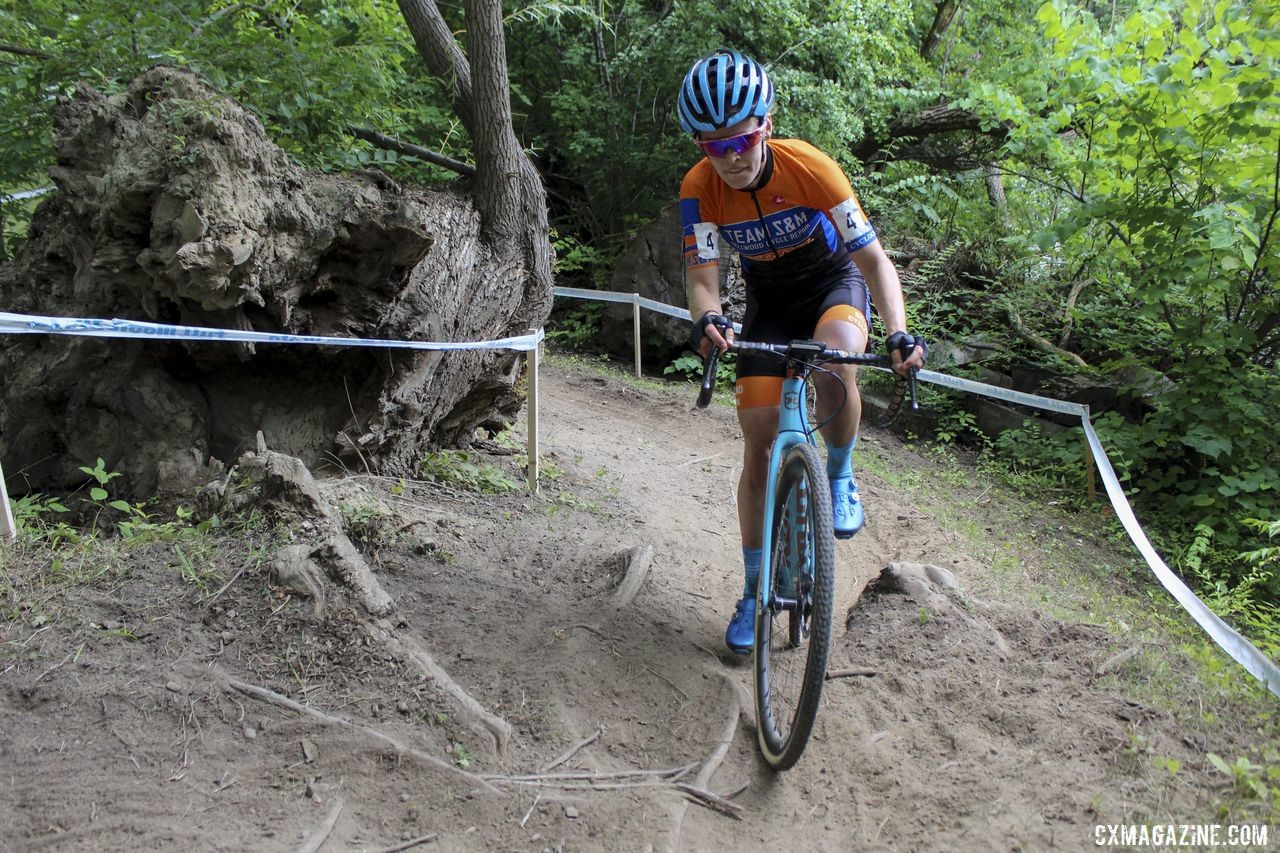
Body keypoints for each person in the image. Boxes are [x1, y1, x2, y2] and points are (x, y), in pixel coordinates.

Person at [677, 48, 927, 655]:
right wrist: (707, 315)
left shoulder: (813, 169)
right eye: (715, 147)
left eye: (742, 140)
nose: (732, 158)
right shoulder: (699, 190)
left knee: (837, 362)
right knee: (759, 443)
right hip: (769, 301)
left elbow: (873, 260)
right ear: (699, 146)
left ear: (765, 125)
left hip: (831, 285)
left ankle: (839, 475)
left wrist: (897, 330)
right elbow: (703, 276)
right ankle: (753, 588)